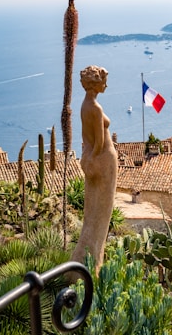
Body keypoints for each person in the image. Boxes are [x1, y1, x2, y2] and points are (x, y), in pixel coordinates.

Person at [71, 65, 118, 275]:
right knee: (102, 216)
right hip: (104, 160)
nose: (106, 84)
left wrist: (87, 158)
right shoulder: (96, 108)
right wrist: (95, 156)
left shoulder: (84, 105)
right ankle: (92, 268)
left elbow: (85, 138)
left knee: (92, 214)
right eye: (103, 81)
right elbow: (99, 141)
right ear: (95, 83)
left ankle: (81, 264)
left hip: (91, 159)